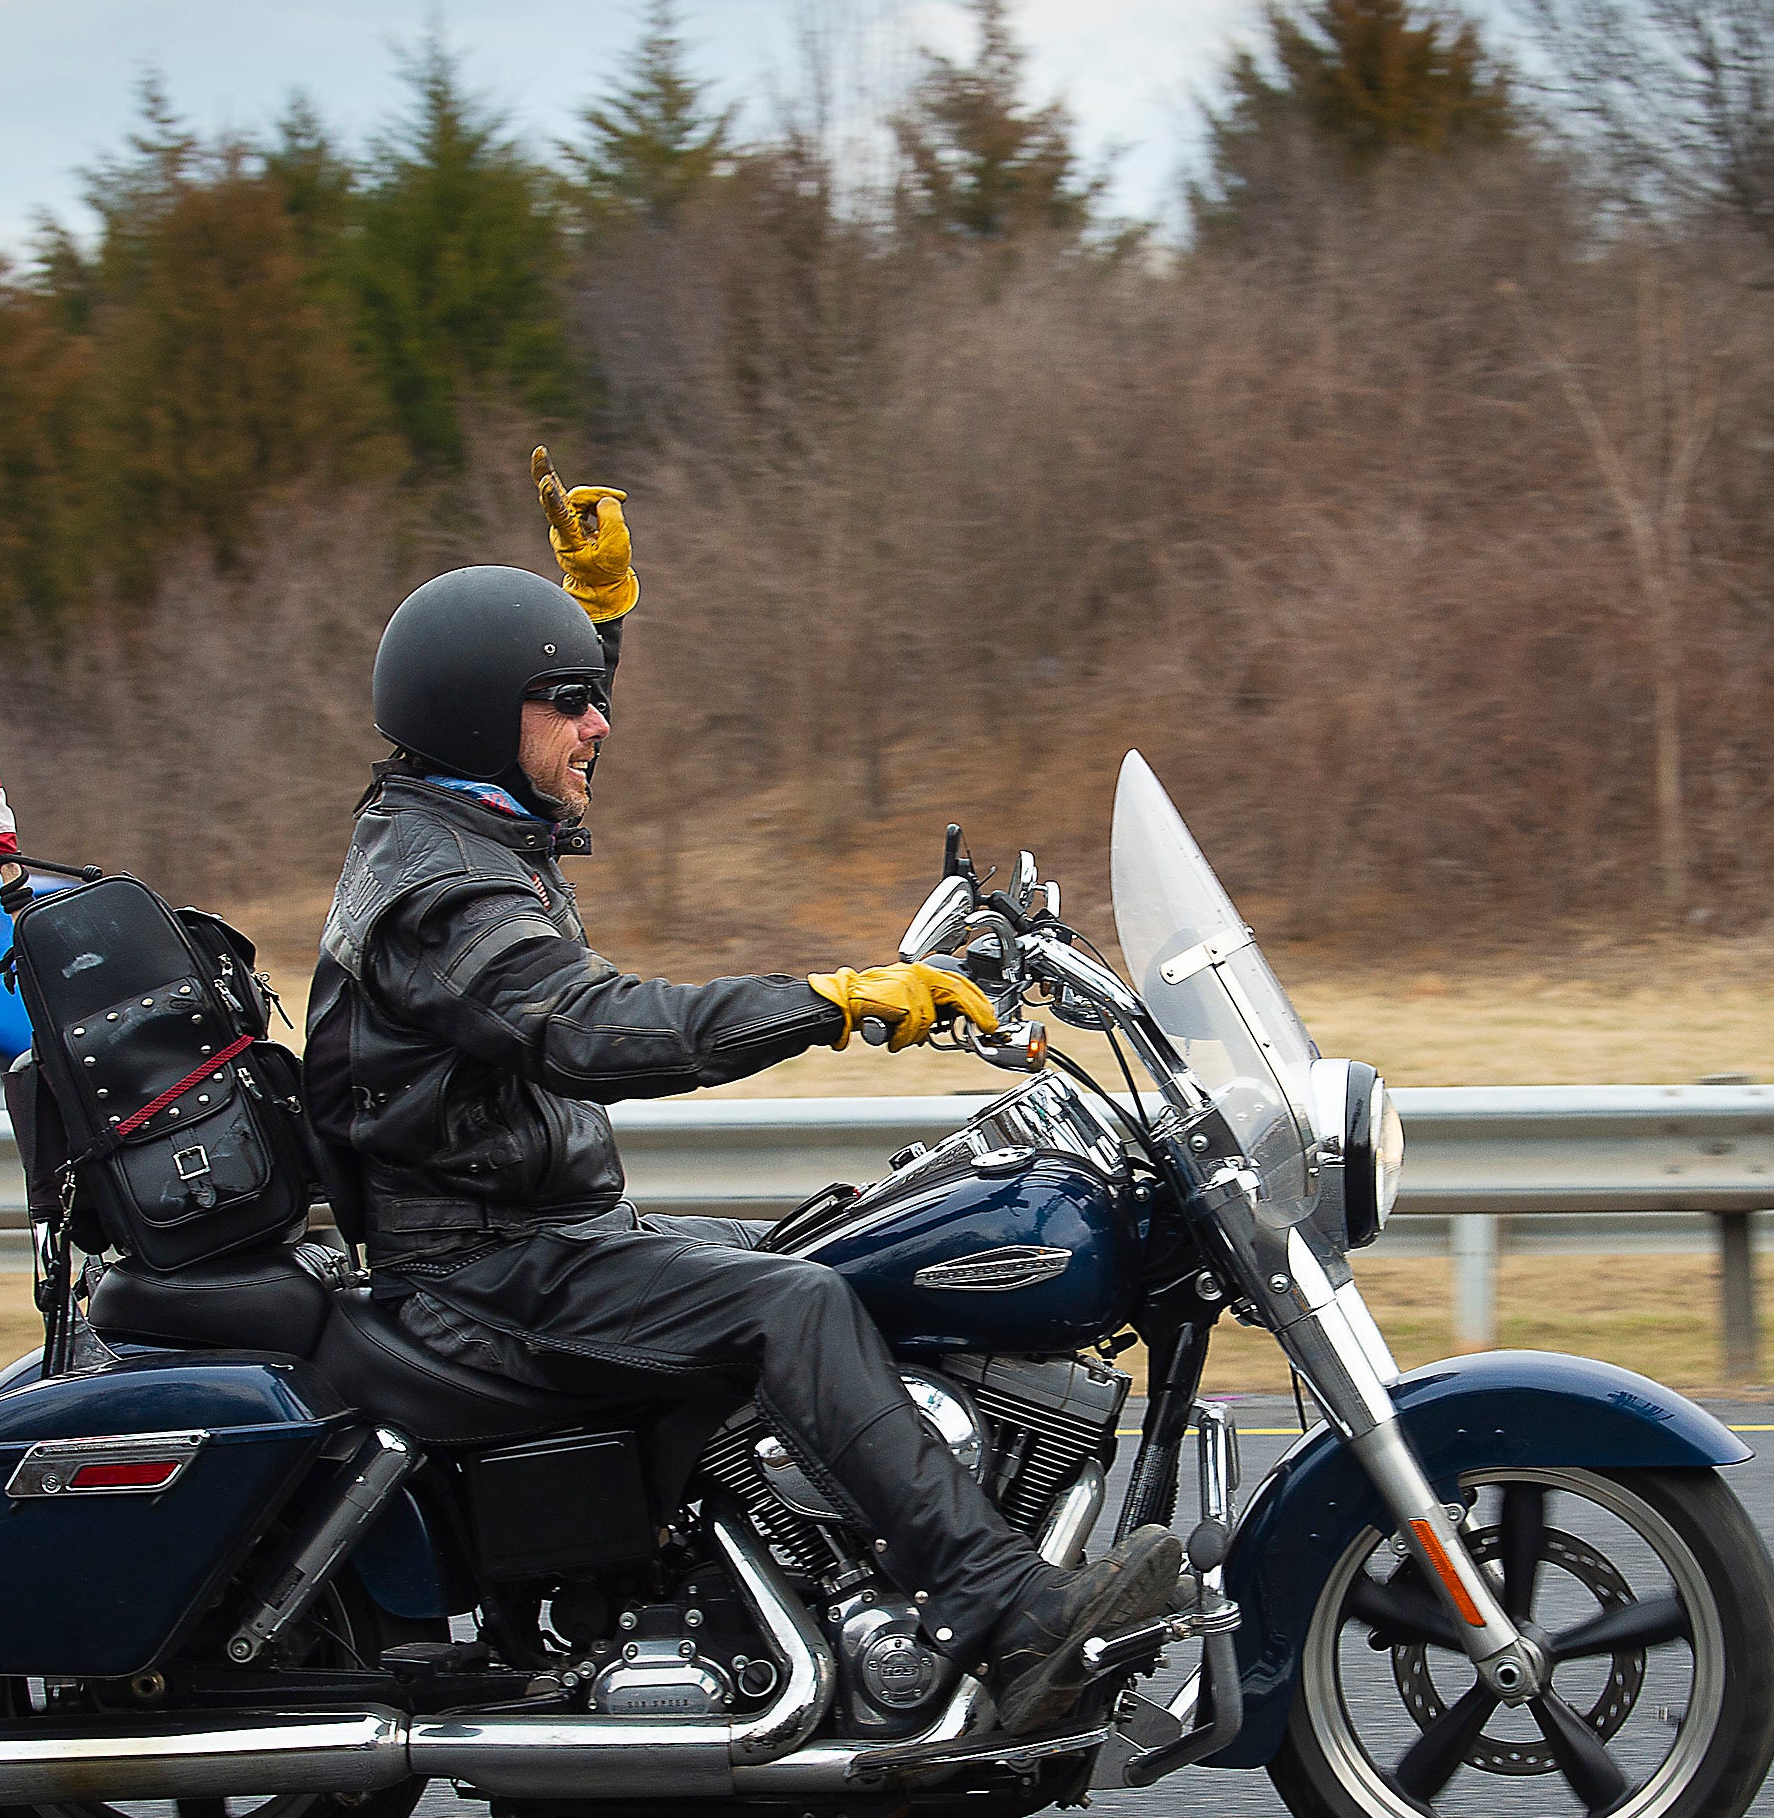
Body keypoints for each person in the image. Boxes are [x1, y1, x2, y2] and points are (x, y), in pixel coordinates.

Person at [304, 448, 1183, 1737]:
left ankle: (800, 1589)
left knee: (827, 1250)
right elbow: (597, 1030)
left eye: (590, 695)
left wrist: (596, 626)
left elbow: (532, 732)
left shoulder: (460, 827)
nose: (599, 723)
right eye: (571, 701)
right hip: (480, 1272)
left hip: (522, 1237)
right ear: (490, 722)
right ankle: (1007, 1611)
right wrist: (835, 1000)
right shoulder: (443, 893)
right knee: (796, 1306)